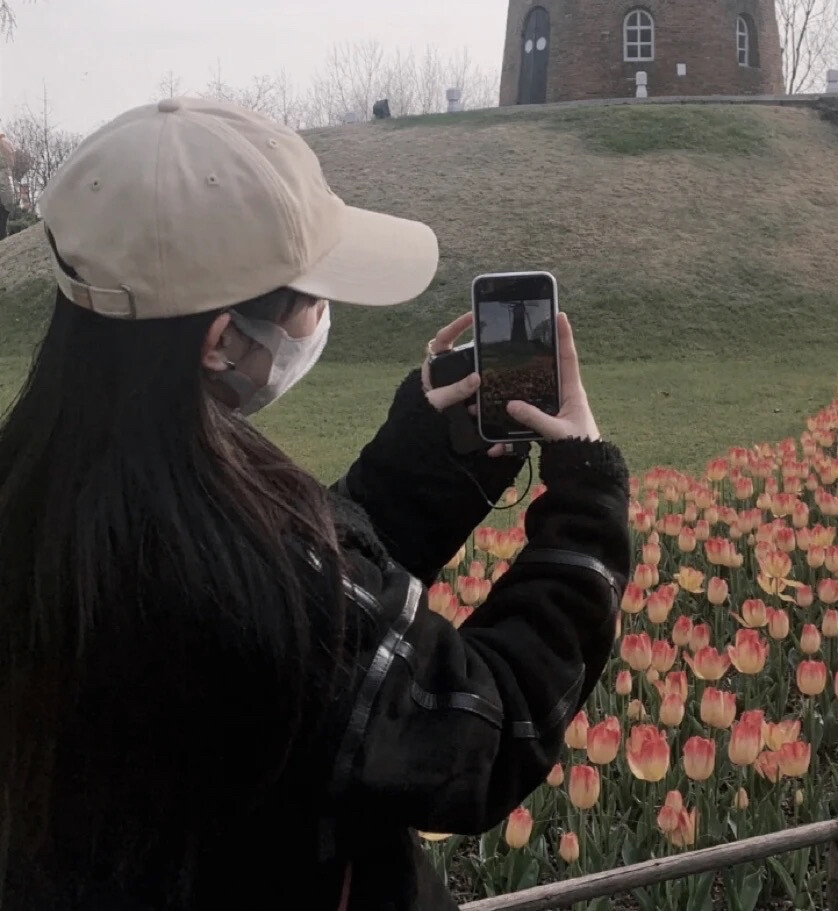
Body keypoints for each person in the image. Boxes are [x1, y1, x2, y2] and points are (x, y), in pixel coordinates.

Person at [0, 97, 631, 911]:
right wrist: (587, 499)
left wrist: (423, 466)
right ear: (222, 341)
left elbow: (304, 619)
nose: (322, 317)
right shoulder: (256, 579)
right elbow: (485, 729)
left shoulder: (49, 498)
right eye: (314, 296)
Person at [0, 127, 16, 240]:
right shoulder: (6, 142)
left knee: (4, 209)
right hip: (5, 178)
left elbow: (9, 162)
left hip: (4, 178)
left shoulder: (3, 142)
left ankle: (3, 235)